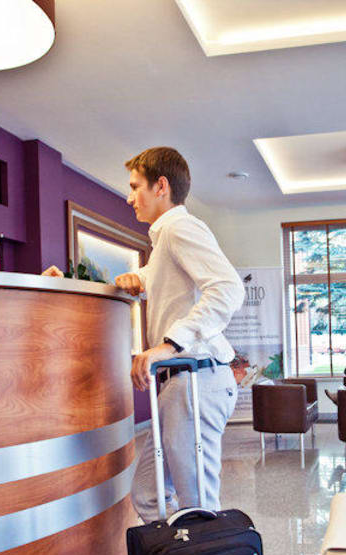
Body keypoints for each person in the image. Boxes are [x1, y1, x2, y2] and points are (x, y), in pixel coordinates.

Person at [112, 147, 244, 524]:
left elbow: (228, 289)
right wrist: (138, 280)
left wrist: (168, 346)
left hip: (195, 379)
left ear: (161, 187)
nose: (129, 197)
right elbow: (174, 290)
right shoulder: (163, 241)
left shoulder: (179, 228)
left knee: (198, 507)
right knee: (148, 494)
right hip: (181, 384)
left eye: (135, 187)